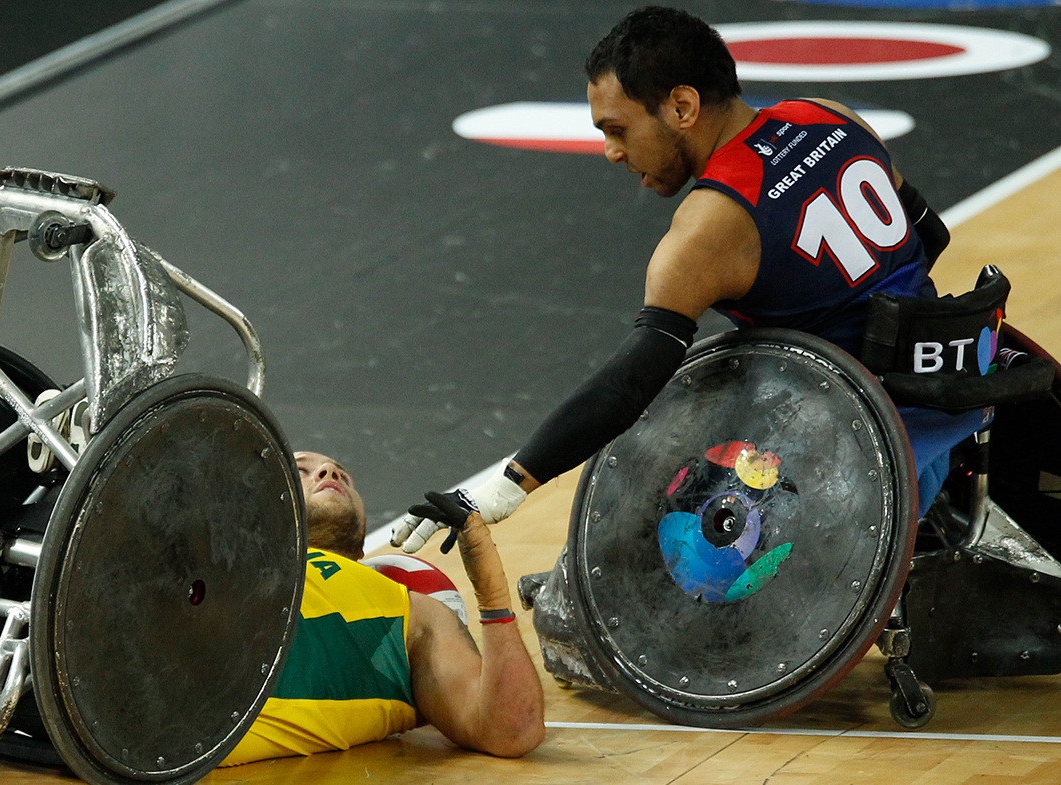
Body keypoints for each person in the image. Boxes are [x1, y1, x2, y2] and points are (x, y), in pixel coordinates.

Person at [393, 6, 974, 552]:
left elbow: (628, 387)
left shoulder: (711, 225)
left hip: (864, 468)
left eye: (617, 129)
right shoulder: (826, 115)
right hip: (958, 399)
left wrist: (502, 487)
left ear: (682, 107)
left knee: (648, 542)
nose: (611, 152)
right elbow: (930, 236)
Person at [221, 451, 545, 766]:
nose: (329, 473)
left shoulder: (417, 613)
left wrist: (492, 595)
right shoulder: (226, 564)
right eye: (300, 471)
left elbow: (512, 731)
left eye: (343, 475)